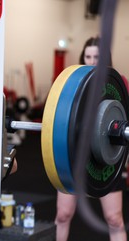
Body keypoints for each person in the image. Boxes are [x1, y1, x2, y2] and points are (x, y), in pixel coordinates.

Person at [55, 36, 127, 241]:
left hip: (106, 160)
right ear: (82, 58)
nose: (93, 61)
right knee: (63, 215)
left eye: (97, 56)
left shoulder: (119, 84)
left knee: (114, 219)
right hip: (74, 156)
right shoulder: (73, 85)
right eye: (88, 56)